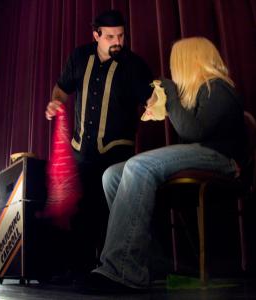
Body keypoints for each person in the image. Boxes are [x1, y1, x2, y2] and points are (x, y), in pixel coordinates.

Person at [88, 37, 247, 292]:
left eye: (176, 64)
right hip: (202, 153)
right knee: (112, 175)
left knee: (139, 166)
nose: (172, 70)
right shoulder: (197, 95)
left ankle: (122, 269)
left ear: (189, 61)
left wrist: (170, 93)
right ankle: (150, 263)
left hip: (220, 158)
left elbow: (193, 133)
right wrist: (163, 106)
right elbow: (188, 135)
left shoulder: (218, 87)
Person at [45, 9, 153, 276]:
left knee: (111, 213)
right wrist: (56, 100)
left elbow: (151, 99)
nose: (118, 41)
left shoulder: (134, 65)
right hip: (81, 150)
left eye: (121, 35)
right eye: (111, 36)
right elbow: (62, 87)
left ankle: (111, 271)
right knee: (81, 212)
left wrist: (154, 105)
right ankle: (79, 270)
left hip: (116, 152)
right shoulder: (80, 57)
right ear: (96, 36)